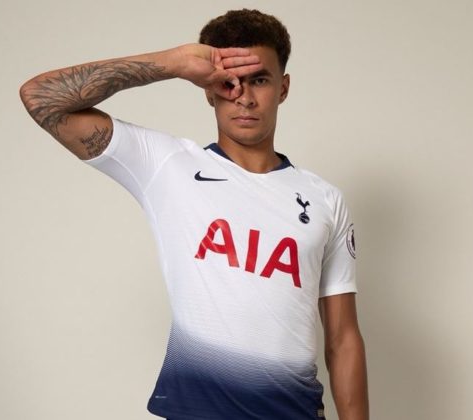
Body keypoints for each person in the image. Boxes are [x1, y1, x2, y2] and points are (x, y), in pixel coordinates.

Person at [20, 9, 368, 420]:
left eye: (259, 80)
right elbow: (41, 98)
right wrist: (172, 63)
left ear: (283, 88)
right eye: (229, 82)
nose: (244, 97)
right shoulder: (167, 165)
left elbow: (343, 339)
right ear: (208, 89)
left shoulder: (324, 199)